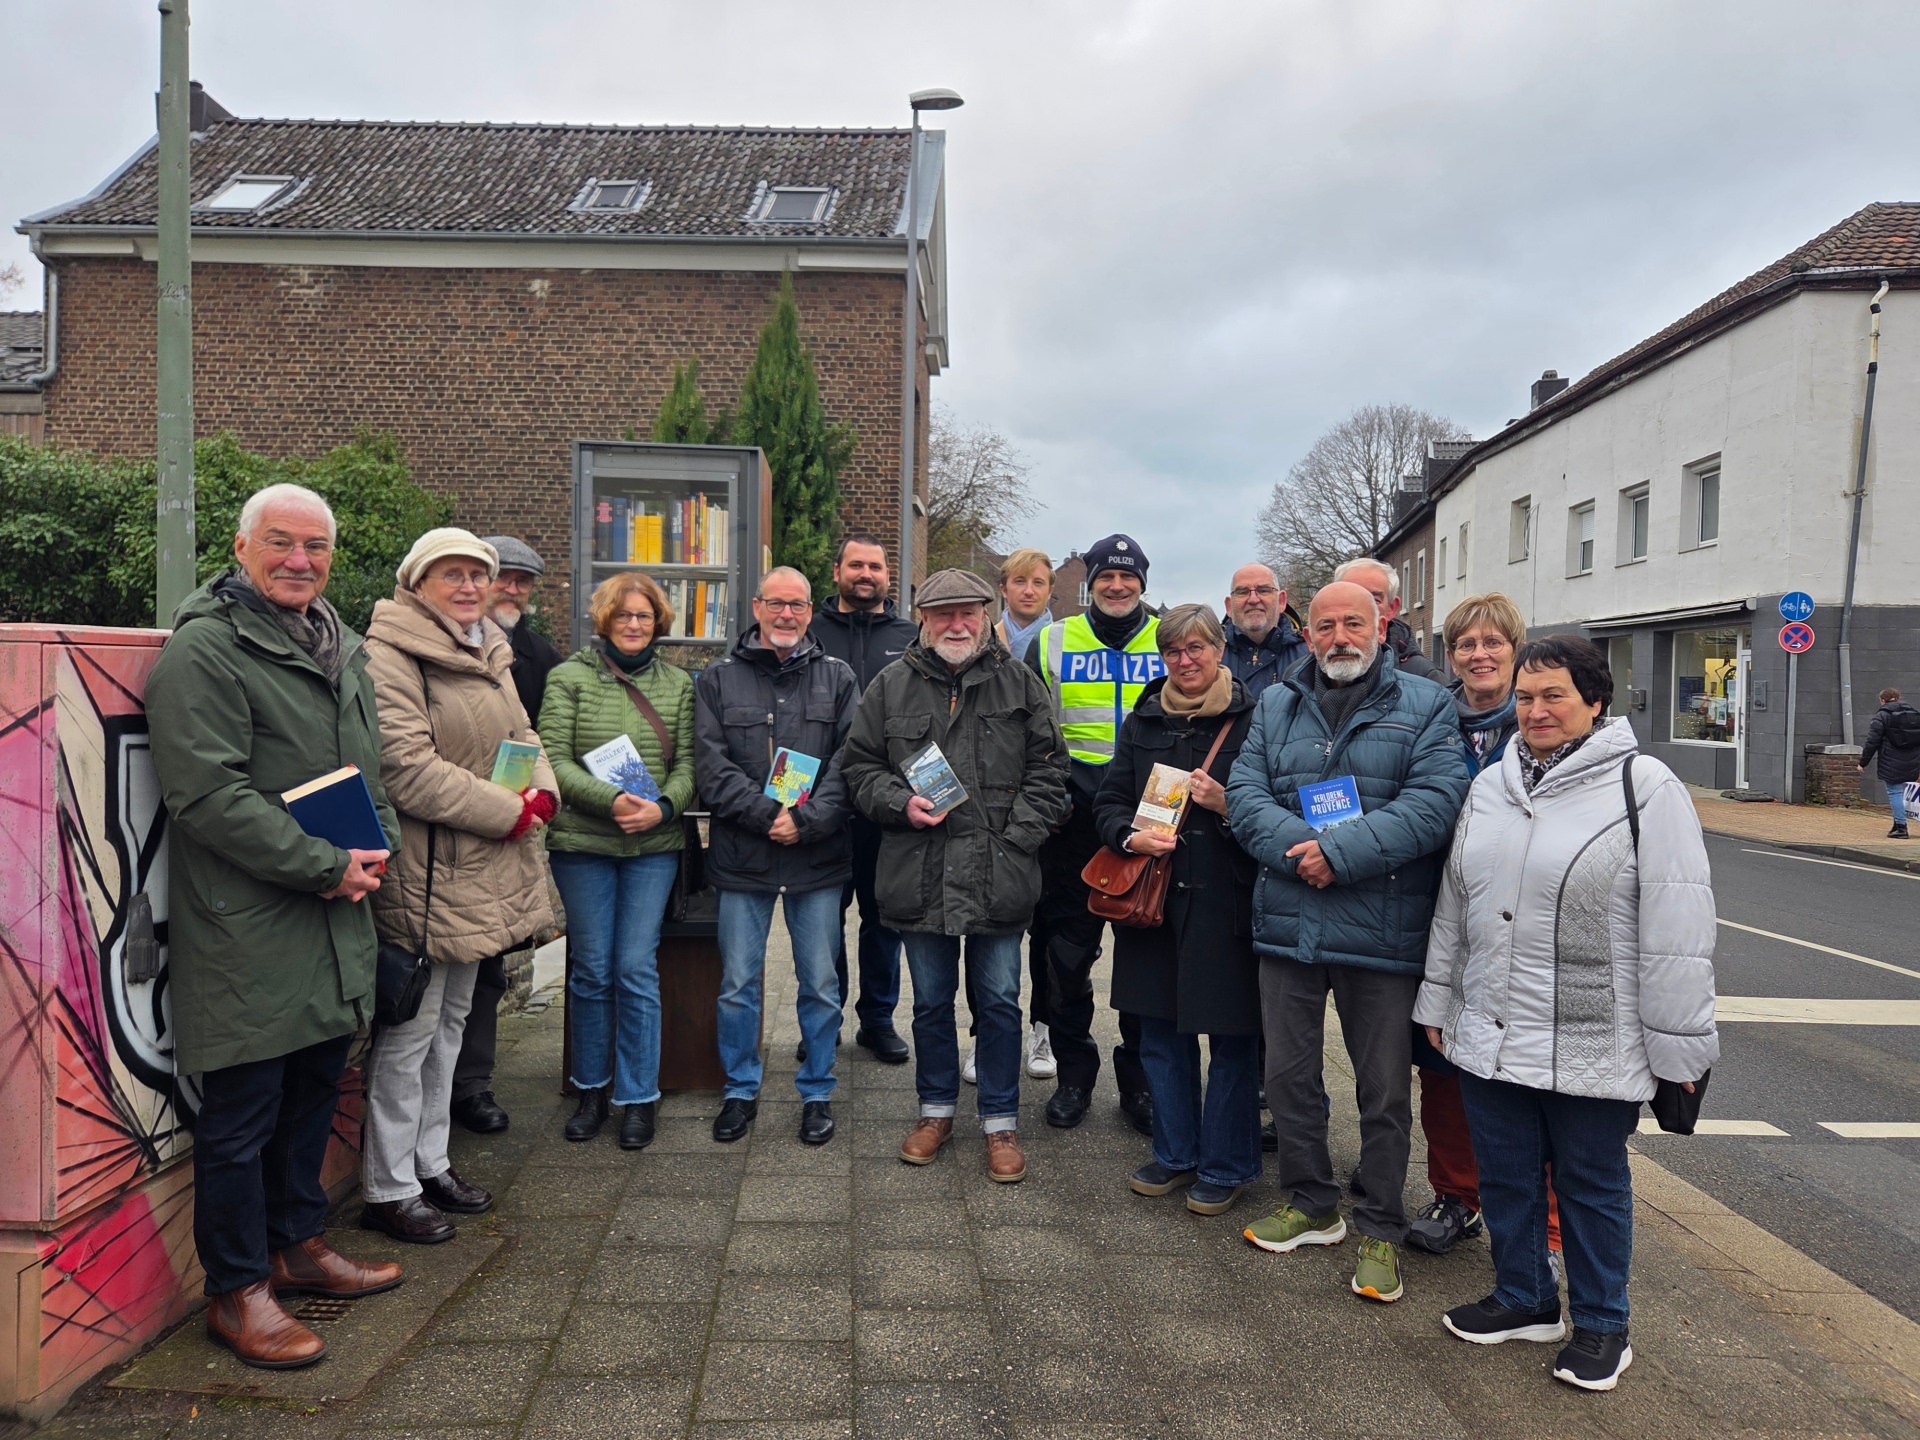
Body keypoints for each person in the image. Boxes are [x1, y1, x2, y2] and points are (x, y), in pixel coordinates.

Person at [146, 482, 405, 1369]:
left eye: (317, 548)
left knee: (310, 1095)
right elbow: (207, 795)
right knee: (241, 1117)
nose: (301, 561)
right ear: (242, 546)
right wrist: (325, 866)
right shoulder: (206, 652)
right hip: (252, 924)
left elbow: (365, 772)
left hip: (336, 918)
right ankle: (237, 1290)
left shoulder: (341, 646)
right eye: (282, 544)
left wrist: (378, 848)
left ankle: (297, 1245)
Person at [1420, 635, 1717, 1391]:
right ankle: (1523, 1297)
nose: (1536, 710)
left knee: (1589, 1181)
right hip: (1491, 1023)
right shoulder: (1492, 784)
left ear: (1595, 701)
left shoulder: (1643, 786)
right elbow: (1457, 902)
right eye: (1525, 697)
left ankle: (1603, 1325)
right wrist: (1437, 998)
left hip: (1595, 1032)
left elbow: (1679, 931)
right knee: (1507, 1174)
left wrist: (1680, 1054)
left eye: (1553, 695)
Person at [1226, 580, 1469, 1306]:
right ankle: (1310, 1201)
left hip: (1382, 927)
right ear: (1309, 632)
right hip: (1290, 920)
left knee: (1385, 1089)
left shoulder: (1426, 704)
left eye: (1352, 623)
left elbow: (1436, 802)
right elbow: (1245, 795)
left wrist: (1345, 854)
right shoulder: (1275, 704)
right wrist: (1306, 848)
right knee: (1289, 1078)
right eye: (1326, 624)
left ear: (1381, 622)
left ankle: (1381, 1226)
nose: (1338, 636)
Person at [841, 568, 1070, 1182]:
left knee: (997, 1003)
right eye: (944, 614)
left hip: (1000, 872)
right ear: (922, 618)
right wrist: (897, 801)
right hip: (919, 870)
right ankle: (935, 1110)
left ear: (986, 615)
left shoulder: (1021, 683)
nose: (957, 624)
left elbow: (1052, 773)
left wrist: (1016, 841)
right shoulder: (890, 687)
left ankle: (1000, 1122)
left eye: (968, 612)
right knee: (932, 1004)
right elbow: (859, 767)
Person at [361, 529, 557, 1242]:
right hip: (430, 870)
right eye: (453, 575)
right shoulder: (390, 656)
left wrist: (544, 792)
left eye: (479, 574)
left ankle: (431, 1160)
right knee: (409, 1030)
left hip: (483, 866)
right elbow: (404, 766)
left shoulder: (486, 648)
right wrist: (510, 811)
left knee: (450, 1025)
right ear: (417, 582)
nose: (471, 587)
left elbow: (525, 735)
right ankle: (388, 1185)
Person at [1095, 605, 1262, 1215]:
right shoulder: (1142, 719)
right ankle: (1175, 1153)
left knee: (1234, 1039)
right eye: (1173, 652)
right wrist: (1127, 837)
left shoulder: (1255, 717)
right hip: (1154, 903)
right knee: (1160, 1036)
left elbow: (1279, 806)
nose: (1185, 661)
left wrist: (1225, 804)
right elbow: (1110, 800)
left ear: (1220, 649)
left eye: (1197, 648)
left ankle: (1226, 1164)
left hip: (1228, 900)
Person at [698, 567, 861, 1146]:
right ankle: (740, 1089)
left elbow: (852, 761)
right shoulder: (717, 678)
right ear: (756, 606)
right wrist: (770, 816)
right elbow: (709, 767)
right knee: (738, 983)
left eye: (797, 605)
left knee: (819, 982)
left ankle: (817, 1090)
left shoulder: (838, 679)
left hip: (816, 858)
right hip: (744, 857)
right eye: (776, 604)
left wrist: (808, 819)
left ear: (811, 611)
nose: (786, 615)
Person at [541, 571, 697, 1149]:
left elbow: (690, 767)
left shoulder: (679, 684)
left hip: (652, 848)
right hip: (583, 843)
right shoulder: (568, 678)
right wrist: (610, 800)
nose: (634, 624)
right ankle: (590, 1089)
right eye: (624, 615)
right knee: (591, 969)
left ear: (659, 622)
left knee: (634, 968)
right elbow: (552, 758)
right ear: (604, 619)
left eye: (645, 615)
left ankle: (637, 1097)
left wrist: (661, 808)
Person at [1405, 592, 1530, 1257]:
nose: (1479, 656)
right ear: (1448, 655)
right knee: (1443, 1063)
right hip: (1438, 917)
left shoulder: (1545, 721)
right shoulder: (1428, 720)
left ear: (1515, 649)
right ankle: (1457, 1195)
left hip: (1525, 927)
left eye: (1493, 644)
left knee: (1525, 1074)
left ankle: (1538, 1217)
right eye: (1466, 645)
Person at [1029, 534, 1163, 1134]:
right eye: (1105, 576)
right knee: (1065, 958)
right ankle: (1073, 1076)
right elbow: (1028, 730)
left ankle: (1140, 1083)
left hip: (1148, 824)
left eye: (1127, 576)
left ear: (1142, 582)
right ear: (1089, 583)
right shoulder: (1052, 639)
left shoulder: (1169, 639)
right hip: (1071, 822)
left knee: (1144, 962)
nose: (1116, 585)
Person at [447, 534, 567, 1137]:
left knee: (491, 966)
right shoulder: (427, 647)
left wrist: (537, 798)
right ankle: (426, 1096)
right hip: (443, 826)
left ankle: (472, 1085)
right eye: (504, 578)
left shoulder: (538, 655)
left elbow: (538, 737)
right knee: (434, 973)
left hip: (509, 828)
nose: (512, 590)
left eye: (523, 581)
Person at [807, 533, 918, 1063]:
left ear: (887, 576)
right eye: (856, 565)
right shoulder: (808, 631)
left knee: (884, 918)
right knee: (825, 916)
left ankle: (877, 1020)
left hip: (887, 802)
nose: (865, 574)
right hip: (823, 801)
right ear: (837, 572)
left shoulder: (910, 637)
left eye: (875, 566)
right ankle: (824, 1021)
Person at [965, 546, 1062, 1083]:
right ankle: (984, 1033)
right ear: (1003, 588)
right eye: (1019, 581)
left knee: (1047, 928)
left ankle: (1042, 1028)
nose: (1029, 590)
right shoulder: (980, 636)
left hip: (1044, 802)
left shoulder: (1062, 642)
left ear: (1051, 590)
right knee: (985, 926)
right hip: (985, 810)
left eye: (1040, 583)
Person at [1332, 557, 1442, 681]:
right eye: (1349, 598)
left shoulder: (1427, 680)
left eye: (1374, 600)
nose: (1359, 610)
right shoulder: (1307, 675)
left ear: (1391, 608)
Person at [1222, 562, 1308, 702]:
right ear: (1229, 606)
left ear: (1281, 601)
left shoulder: (1308, 657)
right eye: (1242, 592)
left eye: (1263, 590)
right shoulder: (1210, 656)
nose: (1253, 599)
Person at [1859, 687, 1920, 838]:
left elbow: (1872, 741)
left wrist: (1863, 762)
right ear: (1899, 698)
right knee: (1901, 793)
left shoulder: (1882, 715)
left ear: (1882, 700)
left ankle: (1901, 827)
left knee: (1895, 792)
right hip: (1913, 760)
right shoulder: (1915, 714)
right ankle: (1896, 824)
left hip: (1891, 761)